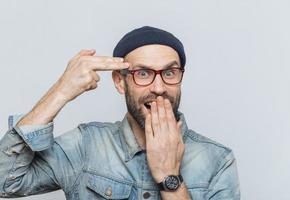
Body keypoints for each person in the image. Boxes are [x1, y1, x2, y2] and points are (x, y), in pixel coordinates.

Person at [0, 26, 240, 200]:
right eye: (143, 74)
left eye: (169, 72)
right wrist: (60, 92)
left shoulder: (217, 161)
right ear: (119, 82)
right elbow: (4, 183)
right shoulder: (86, 145)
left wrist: (171, 179)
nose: (159, 88)